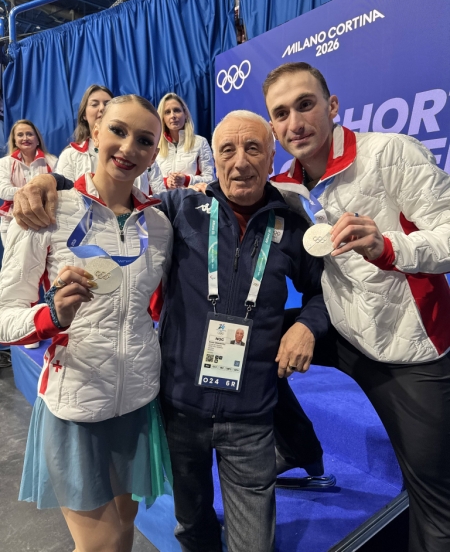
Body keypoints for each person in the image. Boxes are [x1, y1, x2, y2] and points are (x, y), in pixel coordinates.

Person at [11, 110, 330, 552]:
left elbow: (326, 291)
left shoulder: (290, 226)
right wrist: (52, 182)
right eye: (227, 150)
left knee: (253, 544)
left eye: (253, 148)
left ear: (272, 154)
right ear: (214, 158)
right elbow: (113, 194)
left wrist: (307, 326)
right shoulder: (180, 210)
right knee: (191, 528)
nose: (240, 162)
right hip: (181, 409)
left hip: (251, 413)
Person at [264, 61, 450, 552]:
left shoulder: (390, 153)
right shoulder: (287, 188)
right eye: (281, 113)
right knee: (249, 341)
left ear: (332, 107)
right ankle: (297, 447)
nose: (295, 122)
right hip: (344, 331)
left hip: (410, 348)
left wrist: (387, 246)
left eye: (305, 105)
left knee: (436, 504)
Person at [0, 95, 173, 552]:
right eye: (117, 130)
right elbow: (4, 316)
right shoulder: (47, 211)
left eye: (144, 140)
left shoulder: (160, 225)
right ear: (95, 131)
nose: (128, 147)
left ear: (155, 153)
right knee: (100, 546)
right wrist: (51, 315)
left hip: (137, 403)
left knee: (123, 534)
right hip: (75, 407)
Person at [56, 84, 166, 195]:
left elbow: (160, 194)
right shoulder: (70, 156)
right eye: (94, 104)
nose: (102, 108)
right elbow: (64, 196)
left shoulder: (146, 158)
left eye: (107, 104)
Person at [0, 119, 57, 246]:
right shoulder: (4, 163)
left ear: (38, 139)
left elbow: (59, 190)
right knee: (15, 259)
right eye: (20, 135)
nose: (25, 138)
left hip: (44, 220)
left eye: (29, 134)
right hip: (12, 220)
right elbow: (3, 191)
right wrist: (36, 191)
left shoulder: (52, 161)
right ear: (14, 140)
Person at [156, 92, 214, 189]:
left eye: (177, 110)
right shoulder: (156, 145)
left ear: (185, 114)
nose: (173, 115)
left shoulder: (200, 142)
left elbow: (211, 180)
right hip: (164, 198)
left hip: (192, 197)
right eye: (167, 112)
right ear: (163, 118)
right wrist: (166, 182)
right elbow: (149, 183)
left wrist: (186, 180)